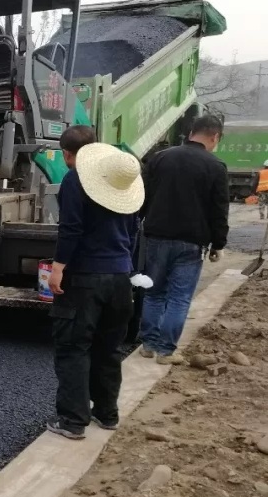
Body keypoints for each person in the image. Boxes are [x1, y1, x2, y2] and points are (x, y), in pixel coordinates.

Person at [47, 126, 143, 440]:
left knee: (74, 348)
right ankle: (107, 412)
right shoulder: (120, 182)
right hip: (120, 278)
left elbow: (71, 228)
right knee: (109, 348)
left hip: (85, 278)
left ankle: (73, 421)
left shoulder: (75, 180)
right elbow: (132, 232)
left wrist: (58, 268)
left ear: (66, 154)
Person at [138, 115, 229, 364]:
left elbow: (143, 196)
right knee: (179, 297)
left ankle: (148, 345)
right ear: (215, 137)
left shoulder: (160, 158)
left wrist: (140, 222)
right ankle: (166, 351)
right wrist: (218, 243)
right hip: (191, 242)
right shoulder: (216, 166)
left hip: (156, 236)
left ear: (191, 133)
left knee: (154, 293)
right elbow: (219, 210)